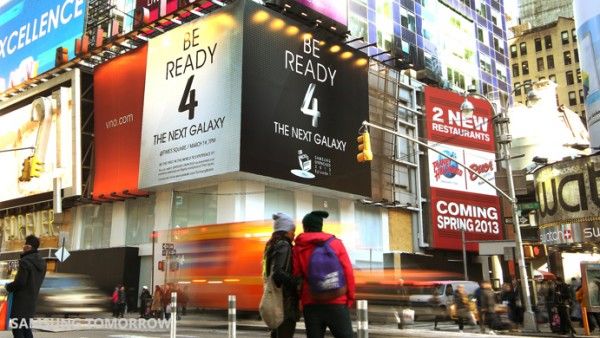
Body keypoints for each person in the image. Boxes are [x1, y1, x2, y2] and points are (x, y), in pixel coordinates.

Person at [293, 211, 355, 338]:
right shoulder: (336, 243)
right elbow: (348, 271)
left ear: (305, 227)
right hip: (337, 301)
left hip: (311, 303)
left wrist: (301, 300)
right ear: (320, 226)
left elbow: (296, 274)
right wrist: (350, 298)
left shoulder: (298, 247)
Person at [262, 212, 300, 338]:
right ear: (285, 231)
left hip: (277, 302)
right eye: (292, 231)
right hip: (285, 303)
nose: (294, 234)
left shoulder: (271, 246)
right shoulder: (284, 245)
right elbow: (278, 273)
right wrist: (297, 281)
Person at [4, 235, 47, 338]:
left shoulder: (25, 261)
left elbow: (20, 282)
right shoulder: (42, 263)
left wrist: (8, 286)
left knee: (18, 330)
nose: (22, 247)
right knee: (26, 329)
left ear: (28, 247)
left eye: (24, 245)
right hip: (31, 302)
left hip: (20, 303)